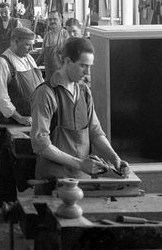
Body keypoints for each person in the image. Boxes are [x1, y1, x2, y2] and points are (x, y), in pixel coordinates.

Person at [30, 37, 128, 190]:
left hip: (82, 179)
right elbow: (40, 144)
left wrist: (114, 157)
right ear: (68, 61)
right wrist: (81, 163)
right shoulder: (46, 94)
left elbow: (95, 132)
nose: (88, 72)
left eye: (89, 66)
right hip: (53, 181)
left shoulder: (84, 91)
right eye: (83, 66)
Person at [0, 26, 44, 206]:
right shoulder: (2, 63)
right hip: (12, 122)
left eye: (32, 45)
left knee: (28, 162)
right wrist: (19, 117)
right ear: (14, 41)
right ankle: (8, 204)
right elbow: (0, 98)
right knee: (8, 163)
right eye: (27, 45)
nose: (31, 49)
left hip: (31, 120)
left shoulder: (29, 59)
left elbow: (40, 86)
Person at [39, 11, 68, 82]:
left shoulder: (65, 35)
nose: (52, 21)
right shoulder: (47, 35)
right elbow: (43, 54)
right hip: (49, 76)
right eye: (50, 19)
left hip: (63, 76)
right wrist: (34, 66)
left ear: (60, 20)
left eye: (55, 19)